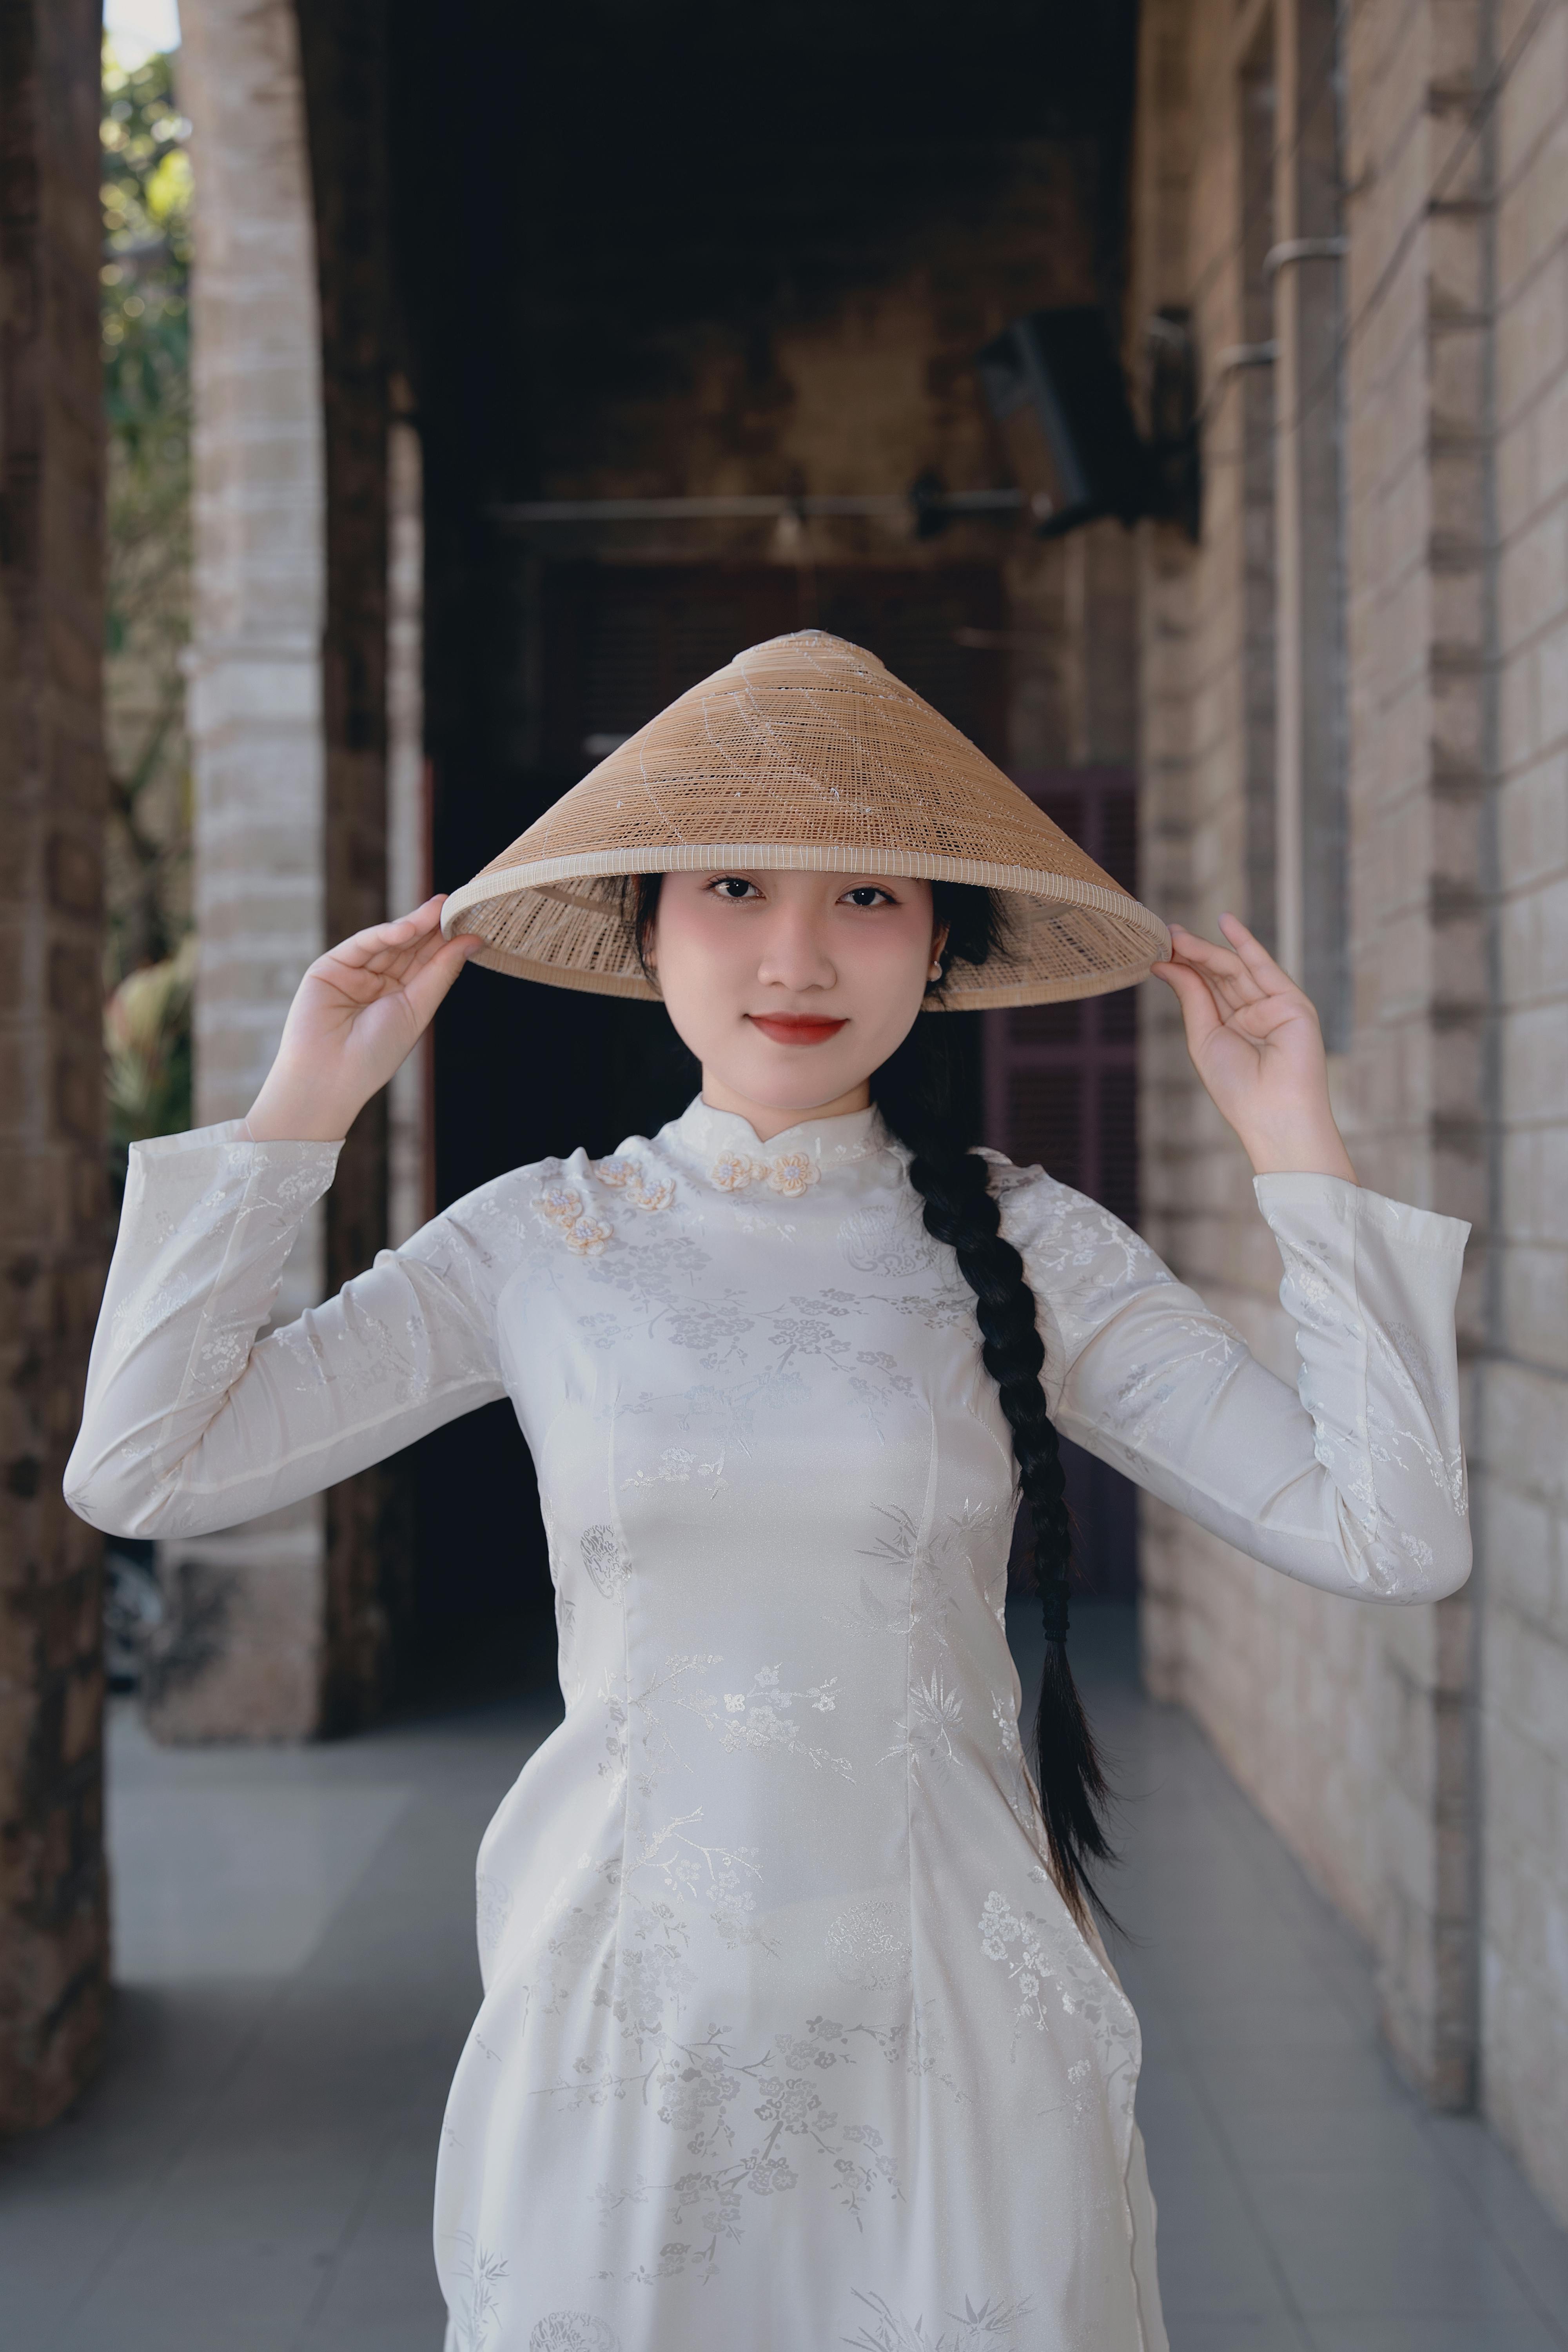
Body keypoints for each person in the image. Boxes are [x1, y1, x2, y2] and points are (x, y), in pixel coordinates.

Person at [67, 633, 1470, 2352]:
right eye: (733, 886)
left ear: (940, 945)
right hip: (621, 2032)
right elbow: (145, 1461)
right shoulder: (544, 1239)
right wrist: (304, 1108)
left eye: (869, 897)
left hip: (955, 2035)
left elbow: (1391, 1533)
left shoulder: (1030, 1247)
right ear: (649, 924)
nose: (797, 954)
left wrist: (1297, 1155)